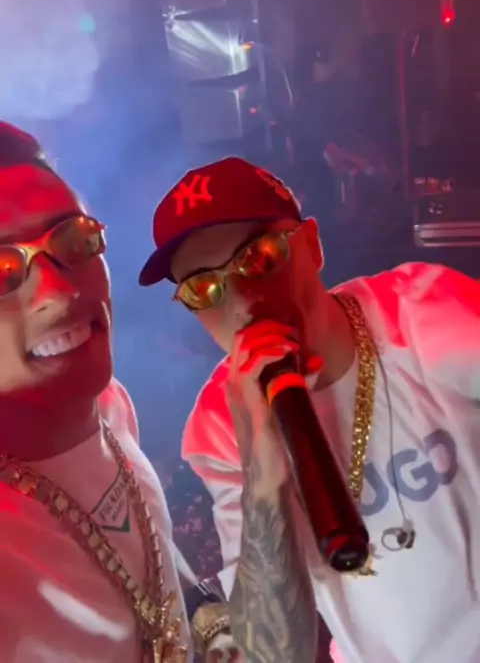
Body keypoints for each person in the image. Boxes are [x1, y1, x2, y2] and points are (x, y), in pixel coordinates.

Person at [139, 155, 480, 663]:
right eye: (204, 287)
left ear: (313, 245)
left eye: (260, 256)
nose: (243, 298)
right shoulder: (219, 425)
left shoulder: (421, 314)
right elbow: (277, 655)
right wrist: (262, 469)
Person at [0, 122, 235, 663]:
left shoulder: (109, 406)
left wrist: (202, 610)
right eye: (3, 271)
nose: (60, 289)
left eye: (73, 239)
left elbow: (129, 542)